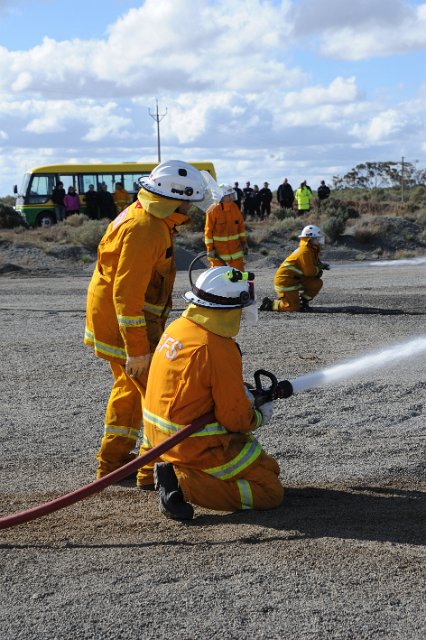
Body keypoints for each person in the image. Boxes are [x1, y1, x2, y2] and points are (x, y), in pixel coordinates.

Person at [84, 160, 208, 480]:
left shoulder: (149, 216)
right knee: (156, 396)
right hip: (123, 327)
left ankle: (113, 465)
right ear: (173, 198)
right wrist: (138, 350)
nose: (190, 209)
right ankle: (149, 469)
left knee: (129, 389)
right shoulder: (146, 228)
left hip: (116, 323)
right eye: (187, 202)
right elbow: (127, 296)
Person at [136, 266, 284, 520]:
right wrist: (258, 415)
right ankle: (180, 482)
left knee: (270, 467)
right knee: (270, 489)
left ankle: (150, 474)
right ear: (231, 308)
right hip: (191, 445)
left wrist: (241, 391)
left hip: (156, 441)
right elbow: (234, 419)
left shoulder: (178, 327)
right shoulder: (216, 347)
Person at [259, 225, 329, 313]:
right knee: (292, 308)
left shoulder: (310, 249)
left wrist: (321, 265)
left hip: (295, 279)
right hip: (285, 281)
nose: (318, 240)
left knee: (316, 283)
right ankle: (271, 304)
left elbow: (312, 264)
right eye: (317, 238)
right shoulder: (305, 251)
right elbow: (309, 272)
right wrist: (318, 270)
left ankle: (303, 303)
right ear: (309, 239)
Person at [204, 185, 248, 271]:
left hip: (235, 253)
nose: (232, 197)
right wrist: (210, 249)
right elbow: (208, 231)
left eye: (232, 195)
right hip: (218, 255)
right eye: (229, 195)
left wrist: (244, 243)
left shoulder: (234, 207)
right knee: (219, 279)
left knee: (239, 278)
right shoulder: (212, 210)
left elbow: (241, 227)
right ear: (221, 196)